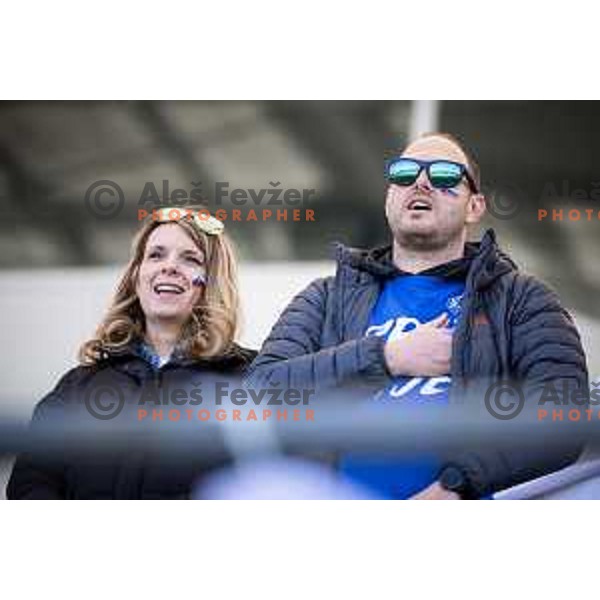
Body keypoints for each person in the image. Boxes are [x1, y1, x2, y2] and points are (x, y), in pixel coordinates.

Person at [248, 132, 588, 500]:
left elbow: (562, 416)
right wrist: (388, 357)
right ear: (389, 199)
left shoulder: (521, 299)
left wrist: (455, 487)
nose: (421, 182)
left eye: (444, 175)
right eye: (404, 173)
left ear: (475, 206)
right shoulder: (325, 297)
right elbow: (258, 394)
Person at [7, 207, 255, 499]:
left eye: (190, 259)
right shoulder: (76, 385)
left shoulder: (251, 378)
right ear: (137, 276)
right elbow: (31, 483)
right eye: (156, 255)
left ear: (212, 281)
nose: (169, 266)